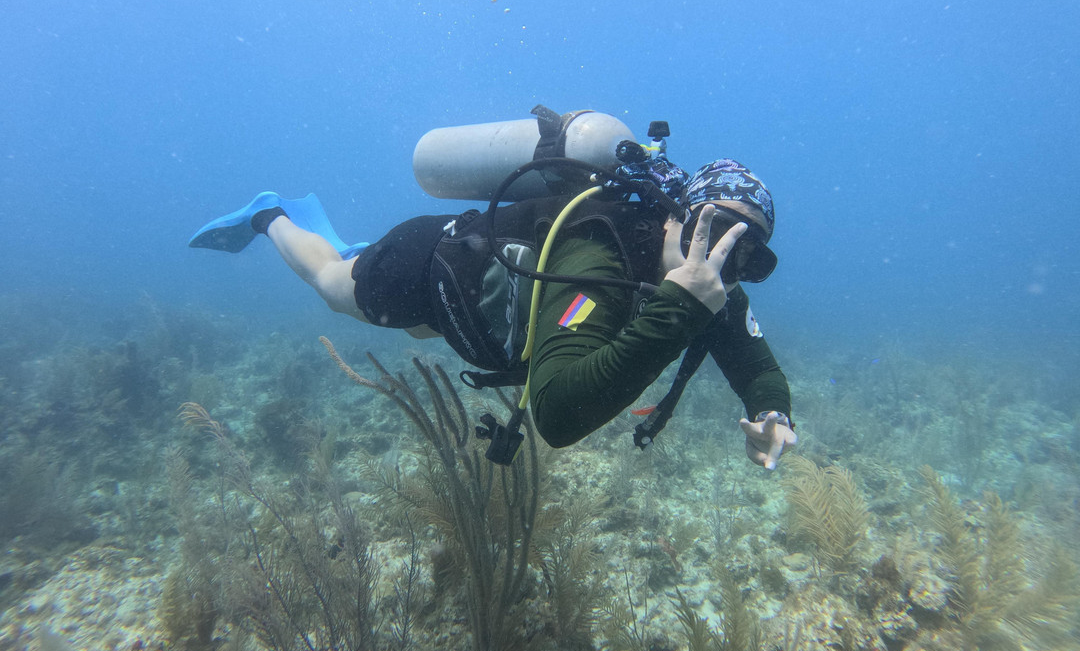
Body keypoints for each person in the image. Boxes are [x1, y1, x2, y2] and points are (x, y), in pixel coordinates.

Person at [189, 159, 796, 469]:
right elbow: (555, 416)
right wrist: (676, 312)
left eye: (749, 251)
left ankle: (345, 248)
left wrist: (772, 413)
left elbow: (753, 361)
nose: (723, 255)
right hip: (426, 267)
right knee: (333, 286)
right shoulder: (595, 261)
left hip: (485, 305)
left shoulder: (704, 278)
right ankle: (269, 216)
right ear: (676, 214)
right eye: (714, 229)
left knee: (413, 324)